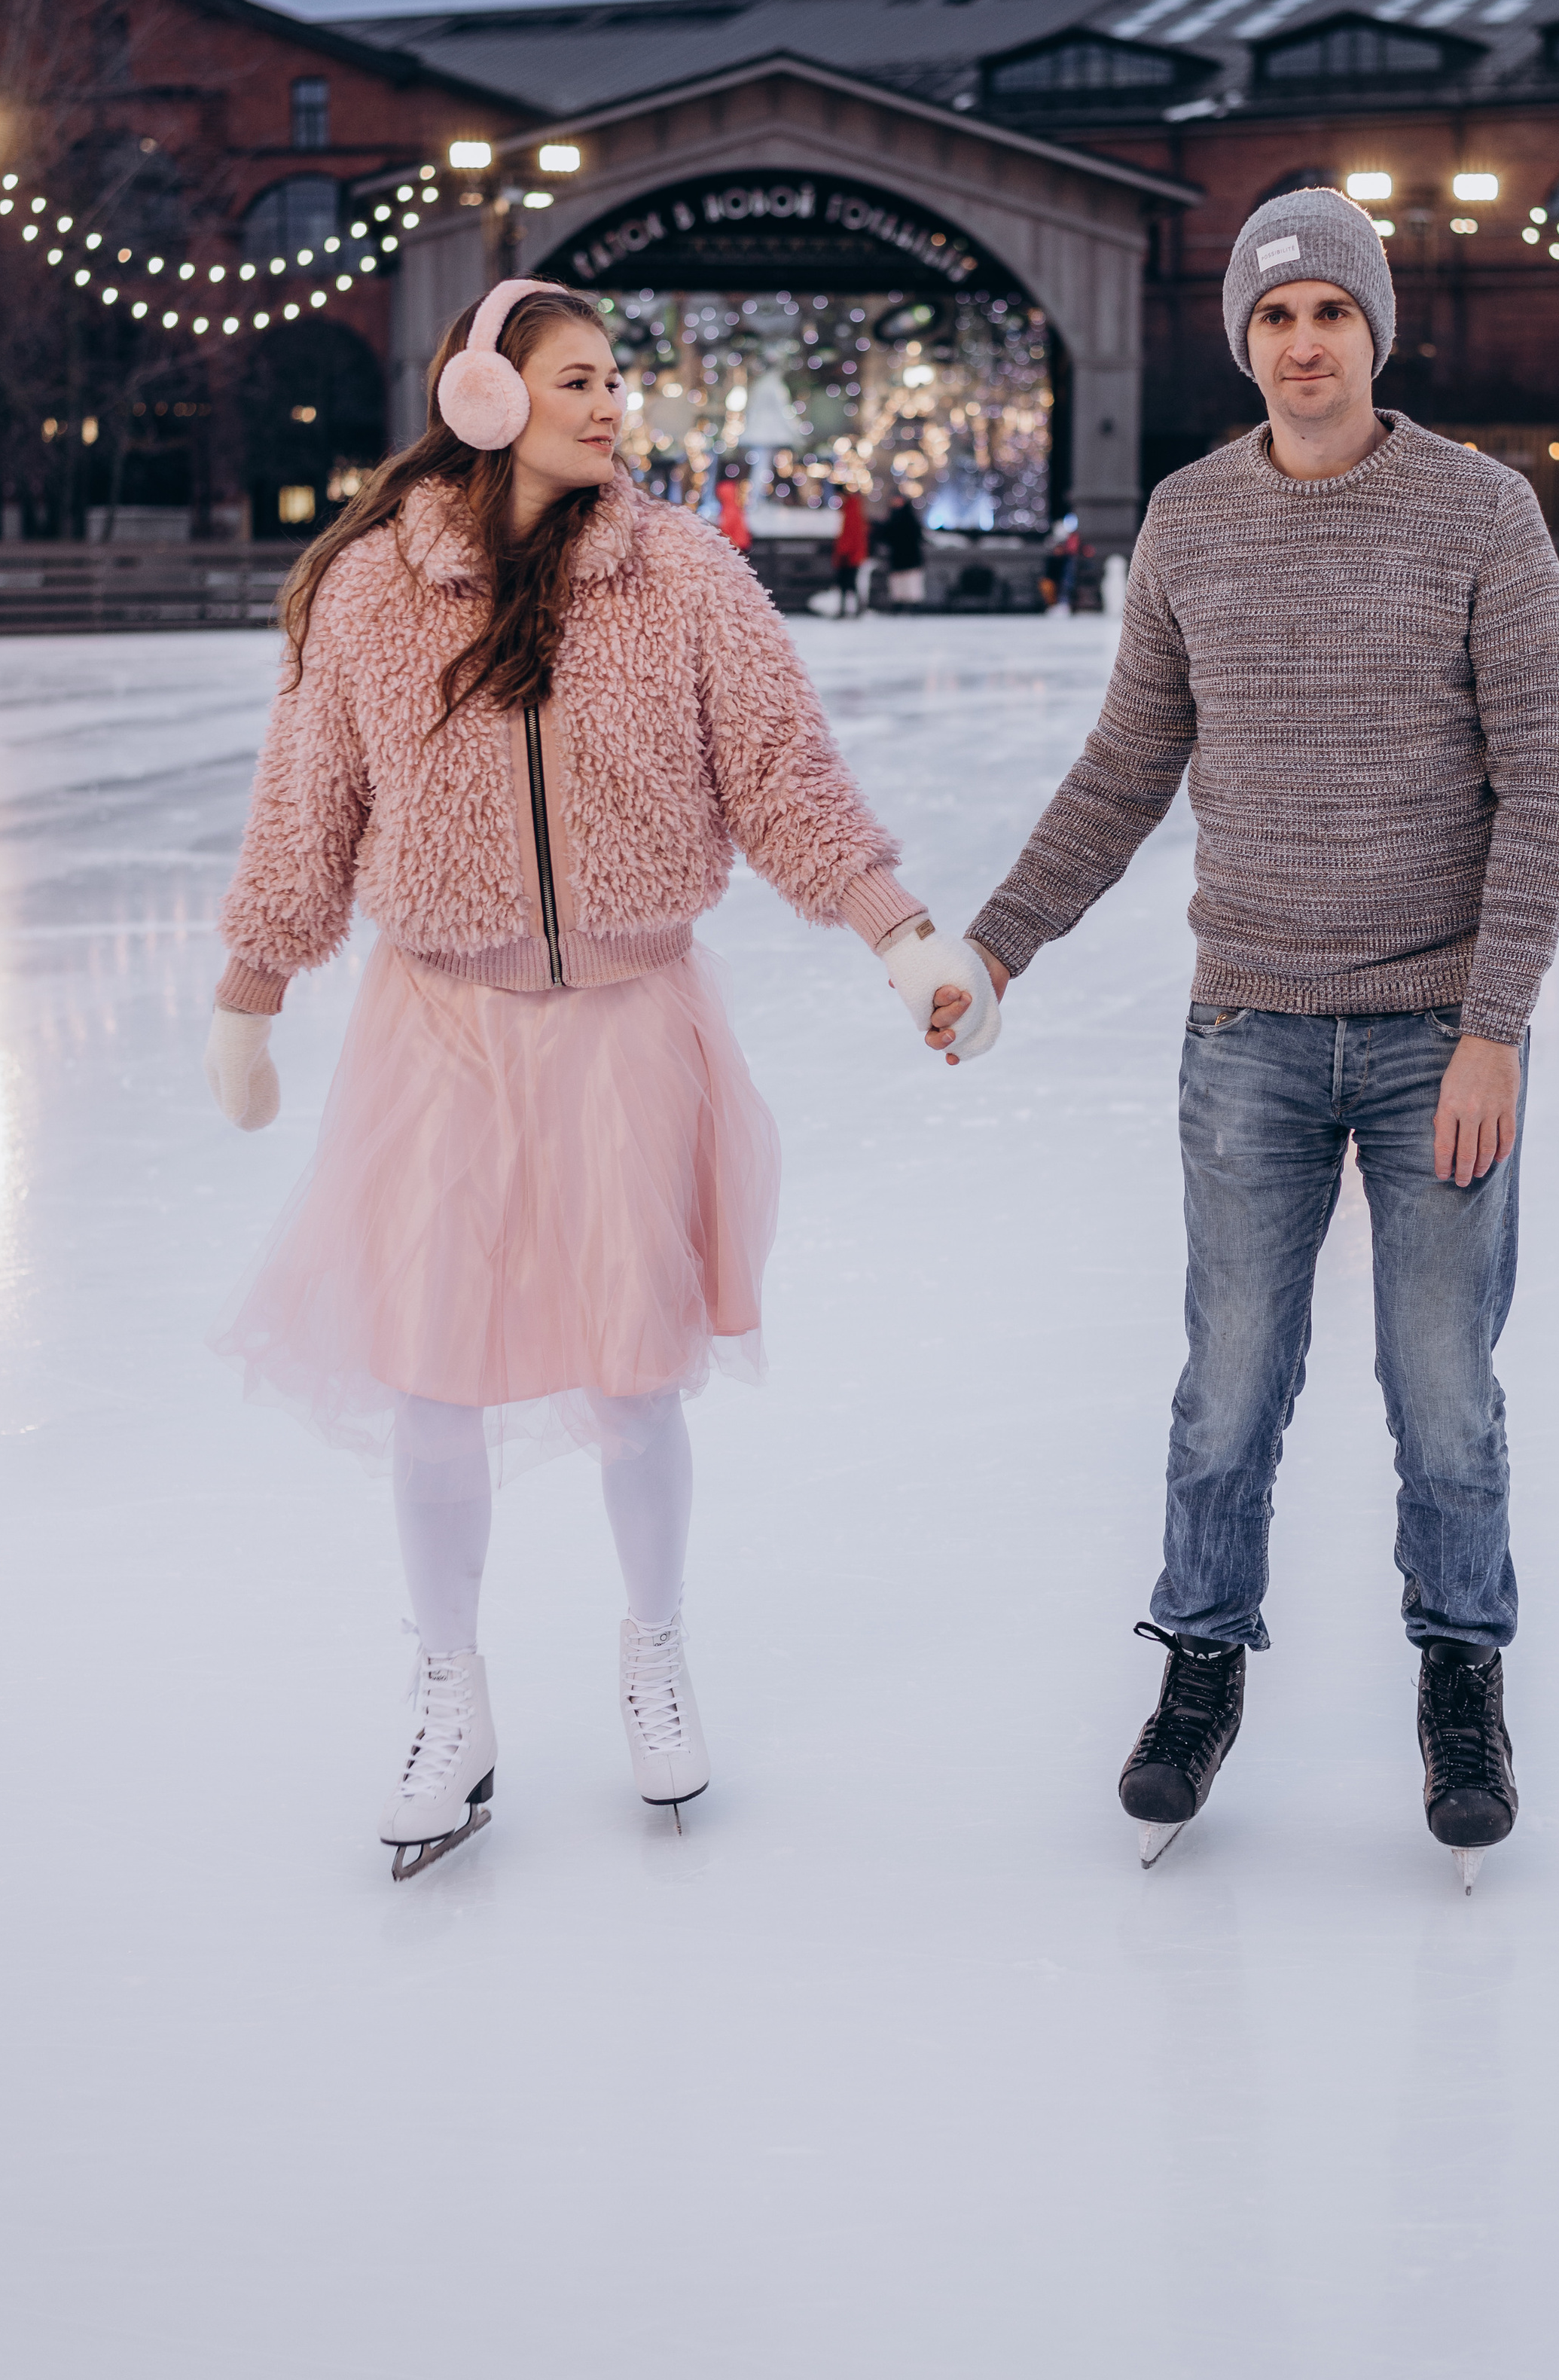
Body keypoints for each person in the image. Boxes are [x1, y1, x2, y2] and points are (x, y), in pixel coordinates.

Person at [201, 280, 999, 1879]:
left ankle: (654, 1649)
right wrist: (252, 988)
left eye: (614, 376)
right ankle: (449, 1688)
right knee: (434, 1371)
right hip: (443, 1023)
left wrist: (902, 932)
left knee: (636, 1369)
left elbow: (783, 775)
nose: (610, 402)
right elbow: (307, 803)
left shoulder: (681, 573)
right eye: (576, 377)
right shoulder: (371, 592)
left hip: (632, 1015)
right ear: (484, 397)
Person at [926, 190, 1559, 1886]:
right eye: (1275, 318)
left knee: (1441, 1388)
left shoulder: (1482, 512)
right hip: (1250, 1033)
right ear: (1243, 340)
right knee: (1228, 1382)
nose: (1303, 344)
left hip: (1437, 1030)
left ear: (1376, 331)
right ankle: (1200, 1662)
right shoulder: (1190, 520)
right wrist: (997, 942)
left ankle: (1461, 1677)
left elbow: (1541, 791)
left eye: (1330, 313)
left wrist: (1495, 1029)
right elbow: (1123, 770)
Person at [880, 490, 927, 609]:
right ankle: (900, 605)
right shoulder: (892, 516)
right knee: (898, 585)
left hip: (910, 557)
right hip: (898, 557)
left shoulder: (909, 517)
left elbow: (916, 535)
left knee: (911, 584)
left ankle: (912, 606)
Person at [831, 481, 870, 616]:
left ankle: (853, 609)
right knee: (848, 583)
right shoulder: (850, 508)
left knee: (849, 582)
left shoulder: (851, 509)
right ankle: (852, 609)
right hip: (850, 553)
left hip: (850, 554)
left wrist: (844, 551)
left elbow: (851, 534)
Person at [715, 468, 752, 554]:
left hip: (734, 544)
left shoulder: (728, 510)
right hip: (740, 543)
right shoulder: (737, 508)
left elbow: (726, 528)